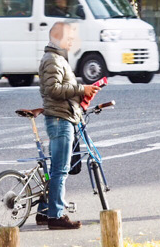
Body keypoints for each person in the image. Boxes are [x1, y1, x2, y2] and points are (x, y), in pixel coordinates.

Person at [37, 21, 101, 230]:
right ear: (57, 38)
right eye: (69, 37)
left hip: (64, 116)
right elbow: (53, 89)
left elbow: (62, 87)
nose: (73, 41)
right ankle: (56, 216)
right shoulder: (52, 60)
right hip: (60, 119)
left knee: (56, 168)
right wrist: (82, 89)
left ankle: (44, 211)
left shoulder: (58, 59)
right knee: (60, 170)